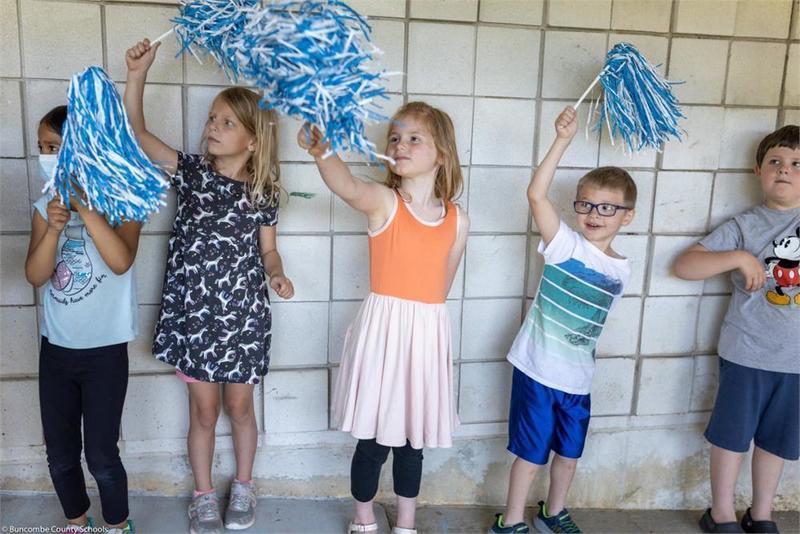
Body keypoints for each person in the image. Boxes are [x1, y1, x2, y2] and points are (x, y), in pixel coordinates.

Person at [124, 39, 295, 534]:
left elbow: (267, 249)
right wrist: (138, 74)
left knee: (240, 406)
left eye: (227, 123)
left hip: (242, 317)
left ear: (254, 140)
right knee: (203, 410)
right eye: (211, 119)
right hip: (194, 317)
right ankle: (202, 495)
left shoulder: (263, 191)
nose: (212, 128)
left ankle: (243, 484)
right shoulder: (193, 173)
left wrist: (277, 273)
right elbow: (138, 134)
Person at [298, 101, 469, 534]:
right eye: (395, 138)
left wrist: (420, 323)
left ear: (442, 153)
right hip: (384, 334)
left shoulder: (458, 219)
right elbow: (347, 185)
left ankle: (406, 522)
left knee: (413, 440)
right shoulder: (383, 201)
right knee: (373, 439)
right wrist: (323, 152)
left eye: (415, 138)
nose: (402, 144)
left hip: (426, 336)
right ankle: (363, 519)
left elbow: (440, 287)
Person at [490, 106, 636, 534]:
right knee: (532, 455)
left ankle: (553, 513)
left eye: (609, 208)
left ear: (628, 216)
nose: (595, 213)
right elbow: (536, 194)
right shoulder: (564, 245)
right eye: (587, 204)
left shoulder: (621, 269)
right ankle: (510, 521)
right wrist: (562, 141)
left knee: (569, 456)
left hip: (579, 380)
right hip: (538, 370)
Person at [673, 125, 799, 534]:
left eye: (797, 164)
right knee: (731, 437)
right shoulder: (744, 225)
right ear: (758, 169)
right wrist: (738, 257)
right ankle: (721, 513)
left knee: (777, 441)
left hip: (796, 363)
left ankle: (761, 513)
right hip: (747, 353)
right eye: (776, 162)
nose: (785, 170)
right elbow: (685, 265)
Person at [25, 105, 141, 533]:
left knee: (101, 454)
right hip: (56, 349)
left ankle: (116, 524)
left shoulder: (125, 201)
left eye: (54, 147)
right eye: (41, 148)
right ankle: (76, 521)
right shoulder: (44, 206)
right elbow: (35, 275)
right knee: (59, 451)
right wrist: (53, 229)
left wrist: (85, 210)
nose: (45, 156)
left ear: (83, 150)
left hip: (105, 352)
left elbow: (121, 261)